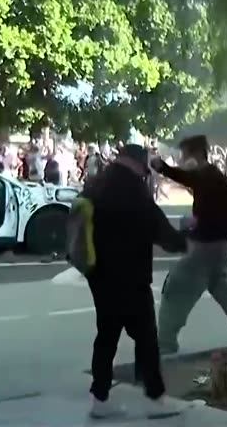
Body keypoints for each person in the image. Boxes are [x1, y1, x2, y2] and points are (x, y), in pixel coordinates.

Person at [84, 144, 186, 420]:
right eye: (146, 167)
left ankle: (100, 398)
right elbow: (159, 229)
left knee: (106, 334)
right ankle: (155, 397)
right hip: (129, 275)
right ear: (138, 164)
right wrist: (185, 238)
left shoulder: (97, 183)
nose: (146, 173)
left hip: (99, 273)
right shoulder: (133, 189)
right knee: (146, 338)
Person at [150, 135, 227, 354]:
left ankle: (164, 344)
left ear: (194, 155)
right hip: (219, 246)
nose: (182, 160)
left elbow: (185, 177)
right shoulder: (213, 176)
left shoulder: (206, 175)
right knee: (226, 293)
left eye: (184, 155)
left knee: (176, 289)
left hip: (204, 247)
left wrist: (162, 167)